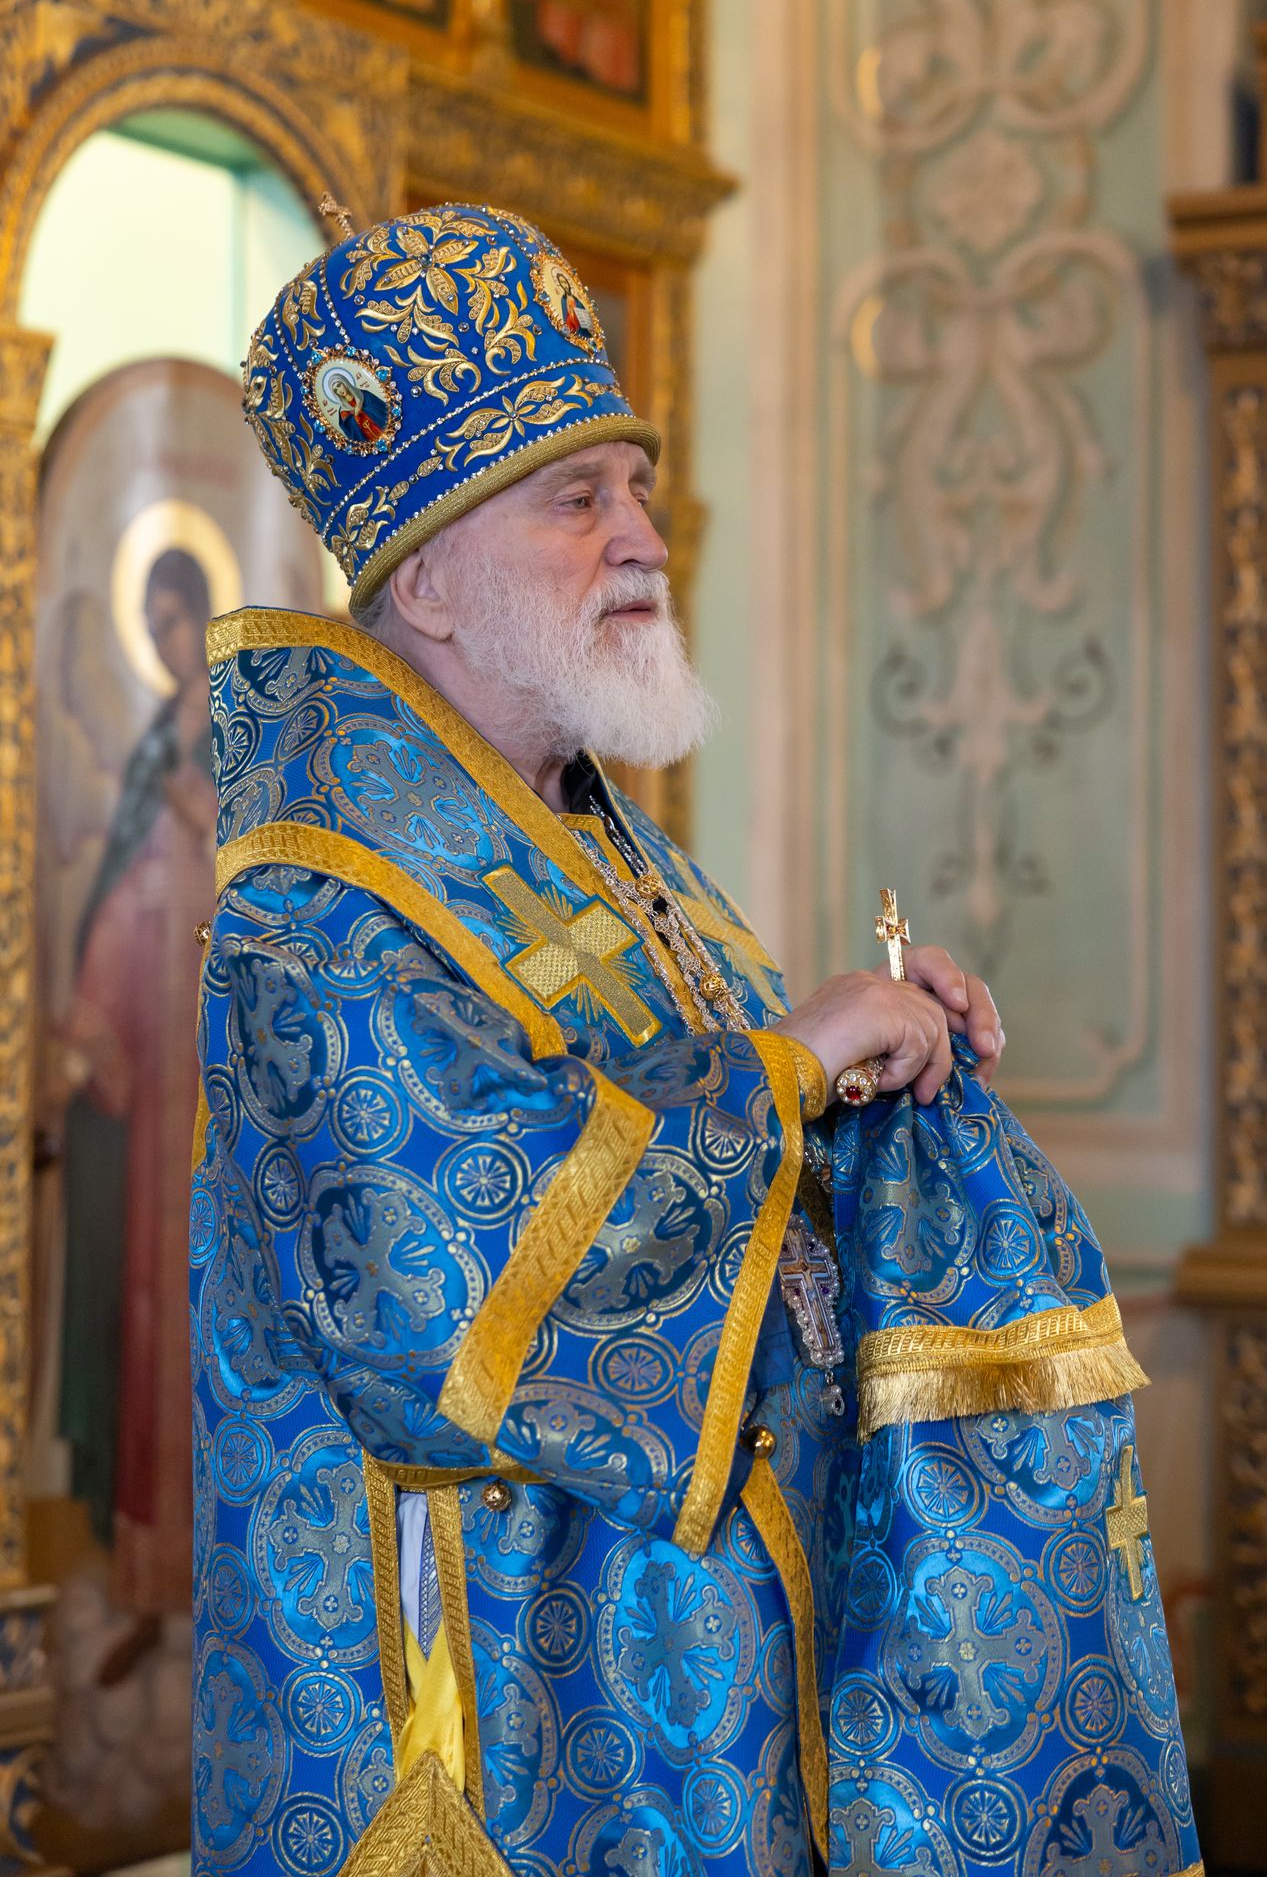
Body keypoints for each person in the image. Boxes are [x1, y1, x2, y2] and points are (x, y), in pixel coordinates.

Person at [197, 204, 1199, 1876]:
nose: (644, 538)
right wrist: (793, 1061)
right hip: (497, 1707)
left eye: (641, 488)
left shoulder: (605, 848)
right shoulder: (314, 903)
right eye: (576, 499)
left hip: (695, 1675)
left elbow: (737, 1178)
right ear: (427, 577)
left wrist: (881, 1082)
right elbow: (457, 1304)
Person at [61, 546, 215, 1678]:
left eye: (176, 623)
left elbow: (269, 865)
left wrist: (202, 818)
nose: (166, 644)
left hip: (217, 1060)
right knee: (150, 1309)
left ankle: (224, 1581)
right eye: (152, 627)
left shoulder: (241, 731)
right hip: (154, 1059)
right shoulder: (161, 734)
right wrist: (91, 1011)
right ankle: (150, 1588)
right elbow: (122, 882)